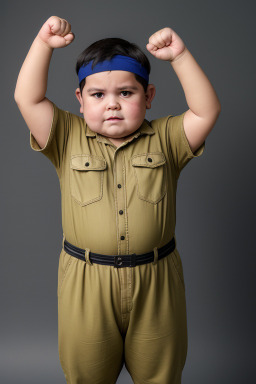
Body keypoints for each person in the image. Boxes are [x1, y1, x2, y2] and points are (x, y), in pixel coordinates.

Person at [14, 15, 221, 384]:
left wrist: (181, 56)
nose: (112, 105)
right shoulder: (66, 136)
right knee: (87, 376)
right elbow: (26, 97)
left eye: (126, 93)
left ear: (148, 96)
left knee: (161, 376)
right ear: (80, 100)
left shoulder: (167, 138)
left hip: (156, 281)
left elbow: (206, 111)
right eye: (98, 94)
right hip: (86, 281)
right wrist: (43, 44)